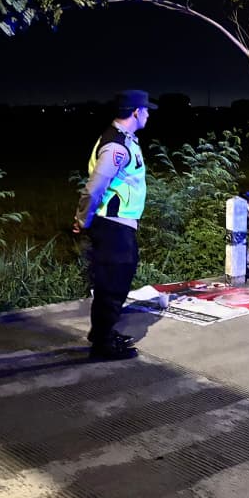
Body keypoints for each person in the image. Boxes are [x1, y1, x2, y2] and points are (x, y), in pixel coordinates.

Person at [74, 89, 157, 361]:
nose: (148, 114)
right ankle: (102, 345)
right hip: (113, 225)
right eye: (146, 110)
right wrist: (82, 220)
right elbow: (95, 187)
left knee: (114, 281)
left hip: (120, 224)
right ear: (136, 112)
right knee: (113, 284)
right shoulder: (116, 146)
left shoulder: (125, 140)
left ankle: (102, 333)